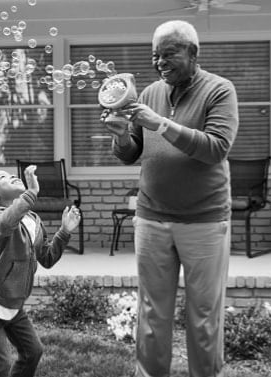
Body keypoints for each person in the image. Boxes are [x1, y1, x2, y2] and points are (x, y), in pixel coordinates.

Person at [103, 19, 239, 377]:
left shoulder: (219, 90)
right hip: (151, 217)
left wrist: (161, 124)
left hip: (205, 221)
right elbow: (131, 152)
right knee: (152, 311)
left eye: (168, 54)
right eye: (155, 56)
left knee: (204, 313)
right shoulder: (148, 94)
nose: (160, 62)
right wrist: (120, 136)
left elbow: (216, 148)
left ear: (193, 53)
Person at [0, 165, 80, 377]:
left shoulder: (33, 220)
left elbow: (46, 258)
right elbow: (6, 224)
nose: (11, 175)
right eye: (3, 177)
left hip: (13, 304)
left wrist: (64, 232)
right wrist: (31, 193)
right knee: (0, 366)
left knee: (33, 352)